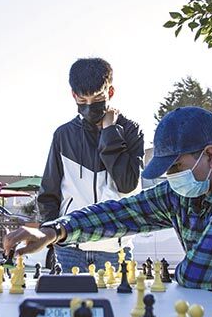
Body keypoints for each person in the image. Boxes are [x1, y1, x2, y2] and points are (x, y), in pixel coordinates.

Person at [7, 107, 212, 303]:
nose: (173, 177)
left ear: (210, 155)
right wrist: (53, 231)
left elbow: (201, 272)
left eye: (177, 165)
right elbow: (118, 214)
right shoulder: (182, 193)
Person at [37, 57, 144, 271]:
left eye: (96, 98)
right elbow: (49, 192)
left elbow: (127, 184)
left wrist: (110, 133)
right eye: (82, 100)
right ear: (73, 95)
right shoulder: (63, 135)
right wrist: (51, 234)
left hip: (116, 248)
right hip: (70, 247)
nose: (89, 107)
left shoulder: (131, 130)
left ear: (110, 92)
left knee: (117, 305)